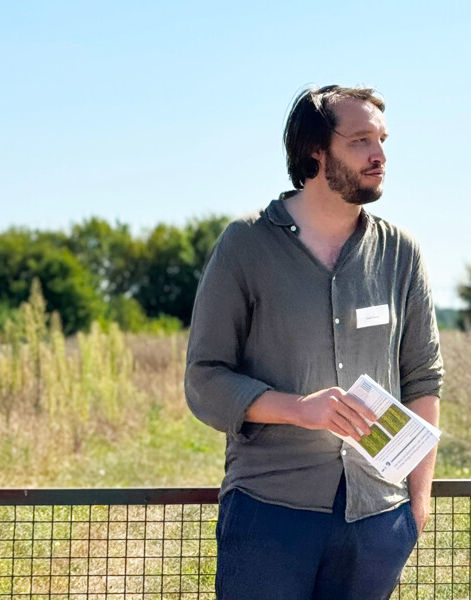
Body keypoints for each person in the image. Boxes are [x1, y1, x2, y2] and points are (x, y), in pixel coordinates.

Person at [185, 84, 443, 600]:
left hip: (378, 516)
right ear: (314, 151)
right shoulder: (246, 244)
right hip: (269, 512)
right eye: (360, 141)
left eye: (383, 141)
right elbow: (204, 379)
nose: (380, 157)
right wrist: (300, 409)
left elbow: (423, 379)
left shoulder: (402, 253)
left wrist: (417, 502)